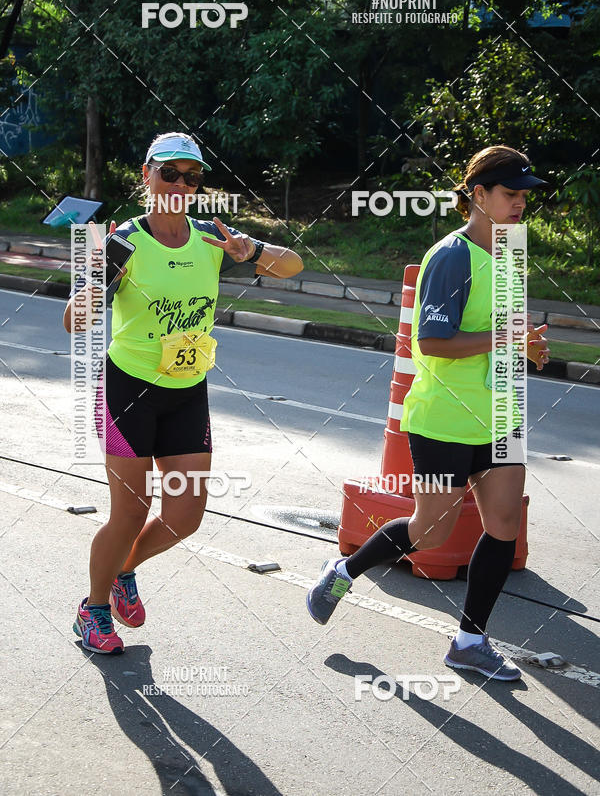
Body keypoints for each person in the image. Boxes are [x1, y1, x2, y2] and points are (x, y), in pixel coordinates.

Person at [306, 145, 550, 681]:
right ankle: (343, 570)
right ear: (479, 195)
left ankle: (469, 640)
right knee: (431, 532)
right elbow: (434, 341)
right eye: (510, 193)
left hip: (500, 413)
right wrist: (504, 336)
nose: (519, 204)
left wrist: (525, 346)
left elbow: (500, 330)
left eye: (524, 195)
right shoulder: (451, 257)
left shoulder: (511, 252)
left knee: (504, 524)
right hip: (443, 421)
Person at [64, 131, 303, 654]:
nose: (179, 184)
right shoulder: (125, 241)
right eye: (168, 173)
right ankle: (93, 609)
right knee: (130, 513)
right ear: (147, 175)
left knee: (185, 517)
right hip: (129, 390)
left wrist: (251, 250)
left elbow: (293, 265)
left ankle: (123, 570)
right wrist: (96, 280)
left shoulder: (212, 238)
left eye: (191, 177)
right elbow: (73, 322)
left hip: (188, 390)